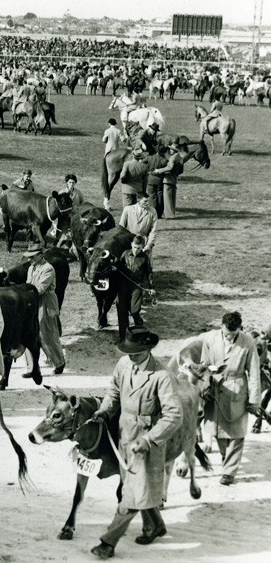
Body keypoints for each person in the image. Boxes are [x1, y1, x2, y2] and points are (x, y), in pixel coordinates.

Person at [89, 326, 182, 560]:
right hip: (124, 436)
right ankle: (157, 525)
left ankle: (107, 543)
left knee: (130, 495)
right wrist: (105, 410)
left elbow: (174, 415)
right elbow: (114, 391)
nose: (132, 356)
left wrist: (149, 440)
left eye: (136, 352)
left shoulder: (162, 375)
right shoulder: (123, 365)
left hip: (147, 443)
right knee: (138, 487)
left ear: (148, 349)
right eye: (128, 351)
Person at [177, 311, 261, 486]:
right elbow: (204, 365)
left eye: (233, 333)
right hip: (214, 389)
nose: (229, 336)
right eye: (227, 333)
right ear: (222, 326)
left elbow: (254, 372)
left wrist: (254, 401)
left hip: (237, 389)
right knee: (218, 430)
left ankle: (229, 472)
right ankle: (226, 455)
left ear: (239, 329)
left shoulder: (248, 343)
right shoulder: (211, 339)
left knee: (237, 432)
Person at [25, 243, 65, 375]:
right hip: (33, 303)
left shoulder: (48, 268)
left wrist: (23, 293)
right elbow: (28, 285)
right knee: (30, 335)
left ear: (40, 255)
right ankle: (32, 367)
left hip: (46, 304)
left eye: (32, 257)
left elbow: (40, 289)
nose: (29, 259)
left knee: (48, 334)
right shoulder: (31, 268)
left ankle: (59, 362)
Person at [118, 234, 154, 327]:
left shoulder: (144, 258)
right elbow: (118, 265)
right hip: (123, 285)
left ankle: (138, 322)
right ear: (131, 244)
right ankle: (124, 333)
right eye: (134, 247)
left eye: (138, 248)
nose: (136, 250)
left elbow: (149, 273)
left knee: (134, 310)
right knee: (123, 310)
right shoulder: (125, 254)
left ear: (142, 247)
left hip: (137, 286)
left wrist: (151, 287)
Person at [119, 192, 158, 259]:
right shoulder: (127, 210)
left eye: (148, 201)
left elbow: (153, 230)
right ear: (138, 200)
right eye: (145, 201)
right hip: (129, 241)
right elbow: (120, 228)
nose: (148, 203)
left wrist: (149, 245)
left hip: (144, 243)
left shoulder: (152, 211)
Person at [151, 144, 183, 219]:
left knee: (167, 199)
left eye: (171, 149)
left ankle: (169, 215)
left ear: (175, 150)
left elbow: (170, 167)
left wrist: (159, 171)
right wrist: (175, 173)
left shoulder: (172, 158)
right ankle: (172, 213)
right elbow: (181, 170)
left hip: (168, 179)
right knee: (172, 198)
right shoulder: (180, 158)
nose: (170, 150)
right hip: (174, 179)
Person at [143, 147, 167, 218]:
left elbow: (142, 162)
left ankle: (153, 212)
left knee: (152, 195)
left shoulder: (149, 158)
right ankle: (159, 213)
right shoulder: (164, 160)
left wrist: (147, 169)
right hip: (160, 180)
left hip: (150, 178)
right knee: (160, 195)